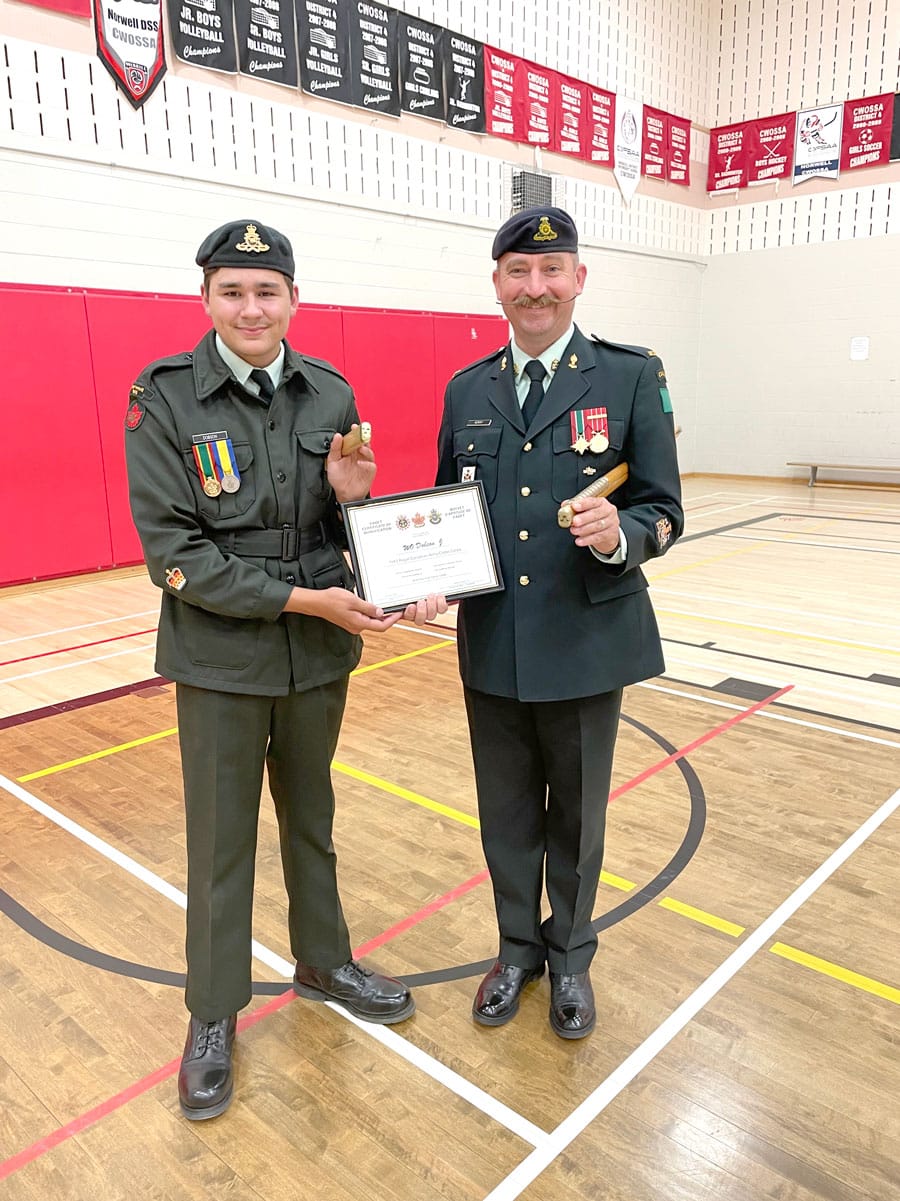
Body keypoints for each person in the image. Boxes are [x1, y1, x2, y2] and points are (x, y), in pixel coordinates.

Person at [125, 218, 443, 1120]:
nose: (251, 307)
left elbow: (342, 531)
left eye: (267, 291)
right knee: (221, 841)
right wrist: (308, 600)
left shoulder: (331, 393)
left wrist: (358, 504)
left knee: (314, 816)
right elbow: (174, 554)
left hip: (316, 657)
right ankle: (214, 1014)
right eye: (233, 291)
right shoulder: (166, 397)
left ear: (293, 300)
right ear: (207, 300)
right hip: (222, 657)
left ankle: (324, 959)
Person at [435, 206, 683, 1039]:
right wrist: (431, 577)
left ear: (579, 278)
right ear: (498, 282)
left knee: (577, 813)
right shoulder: (467, 389)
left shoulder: (629, 376)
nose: (534, 287)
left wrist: (624, 536)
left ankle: (570, 955)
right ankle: (516, 951)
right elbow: (449, 512)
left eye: (551, 271)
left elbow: (663, 508)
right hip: (495, 640)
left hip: (585, 637)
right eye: (518, 272)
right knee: (504, 811)